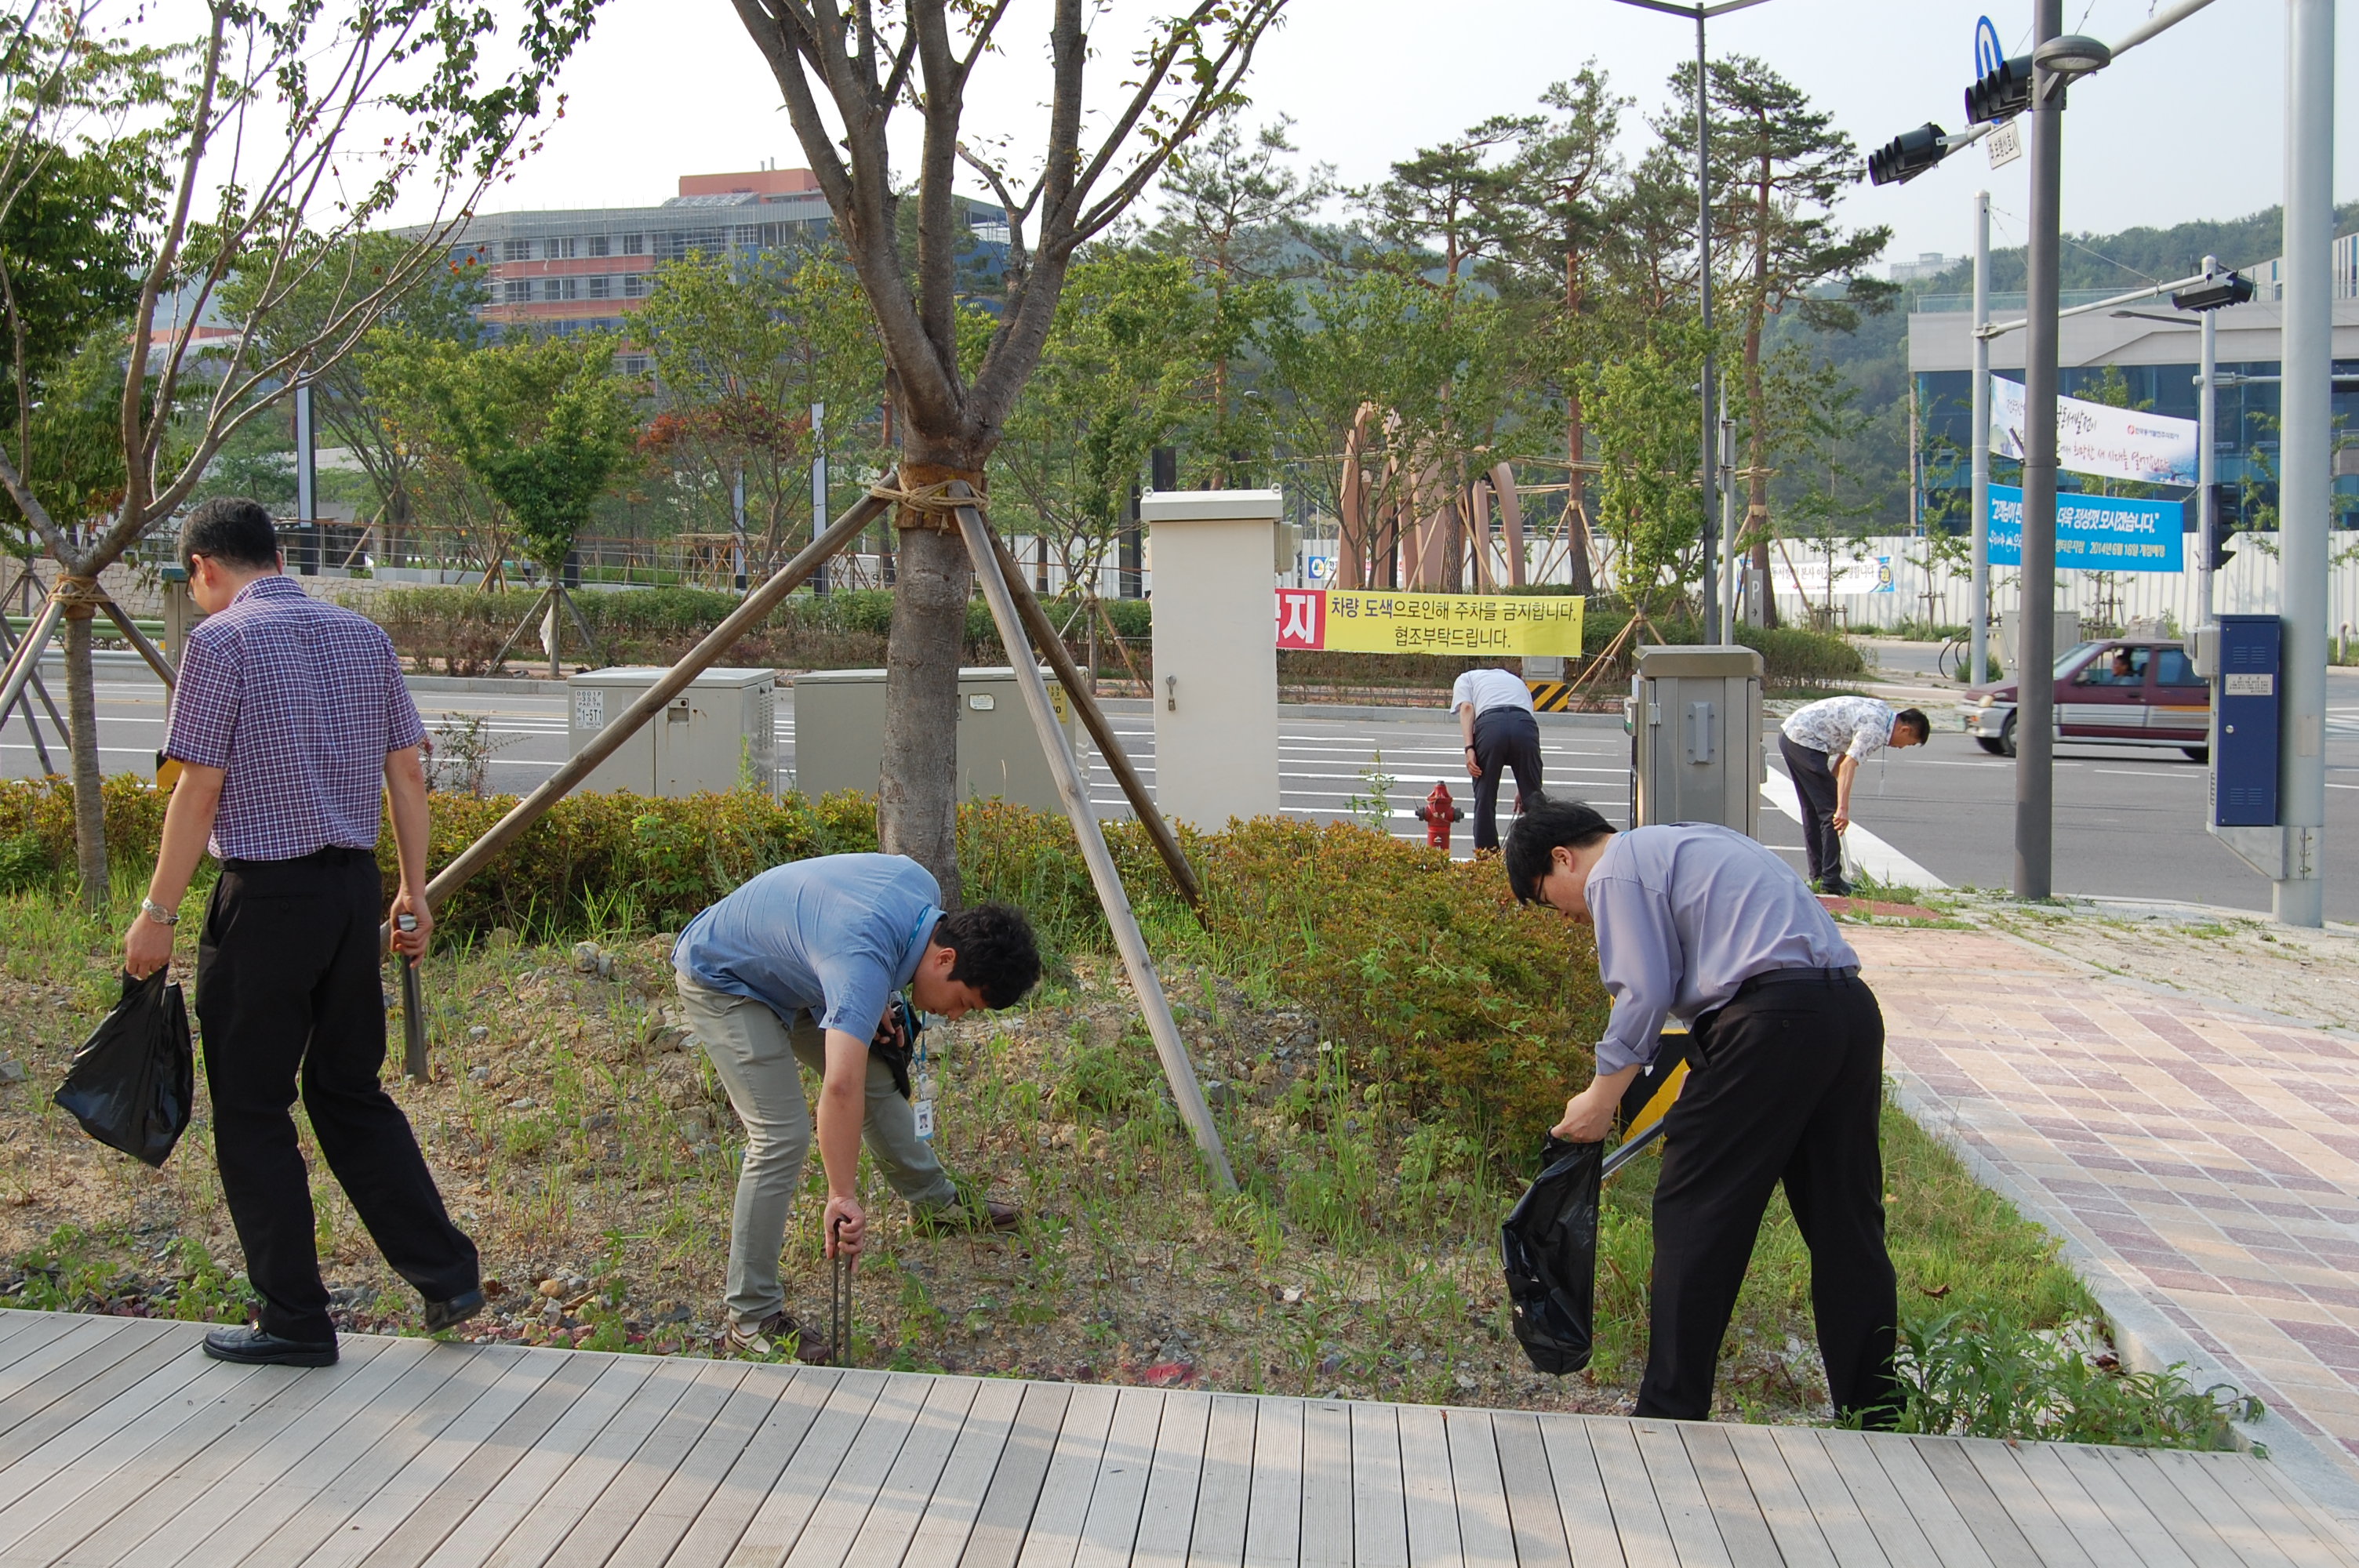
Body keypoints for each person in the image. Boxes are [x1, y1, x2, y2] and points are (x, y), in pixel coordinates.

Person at [122, 496, 482, 1367]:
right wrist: (413, 888)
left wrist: (158, 913)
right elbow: (405, 771)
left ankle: (293, 1317)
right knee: (348, 1091)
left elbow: (197, 788)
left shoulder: (219, 643)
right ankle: (447, 1273)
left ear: (205, 567)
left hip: (268, 899)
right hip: (354, 895)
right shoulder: (363, 635)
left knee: (251, 1105)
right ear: (273, 554)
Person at [1504, 797, 1900, 1427]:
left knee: (1696, 1212)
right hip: (1847, 1012)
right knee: (1845, 1224)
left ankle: (1669, 1412)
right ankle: (1878, 1413)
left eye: (1553, 898)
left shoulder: (1615, 868)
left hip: (1770, 1020)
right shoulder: (1691, 838)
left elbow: (1643, 991)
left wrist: (1602, 1099)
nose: (1569, 917)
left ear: (1562, 857)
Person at [672, 852, 1041, 1358]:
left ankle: (936, 1205)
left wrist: (878, 997)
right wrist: (841, 1195)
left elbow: (843, 931)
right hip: (727, 978)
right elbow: (838, 1088)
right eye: (964, 1003)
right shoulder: (862, 961)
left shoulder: (922, 891)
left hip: (797, 969)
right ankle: (751, 1316)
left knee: (874, 1075)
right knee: (781, 1134)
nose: (954, 1017)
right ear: (946, 959)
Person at [1776, 696, 1930, 896]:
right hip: (1804, 741)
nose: (1901, 747)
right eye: (1908, 743)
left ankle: (1820, 877)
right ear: (1905, 730)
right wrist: (1842, 809)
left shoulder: (1882, 712)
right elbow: (1849, 764)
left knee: (1814, 810)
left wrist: (1830, 785)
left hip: (1792, 735)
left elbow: (1847, 753)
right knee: (1830, 814)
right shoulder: (1875, 731)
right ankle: (1830, 880)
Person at [1451, 662, 1543, 852]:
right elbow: (1527, 718)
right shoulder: (1516, 681)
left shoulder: (1466, 678)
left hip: (1491, 726)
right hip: (1524, 725)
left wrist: (1469, 748)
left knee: (1485, 797)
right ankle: (1539, 853)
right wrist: (1523, 786)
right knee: (1533, 798)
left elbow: (1467, 708)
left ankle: (1487, 859)